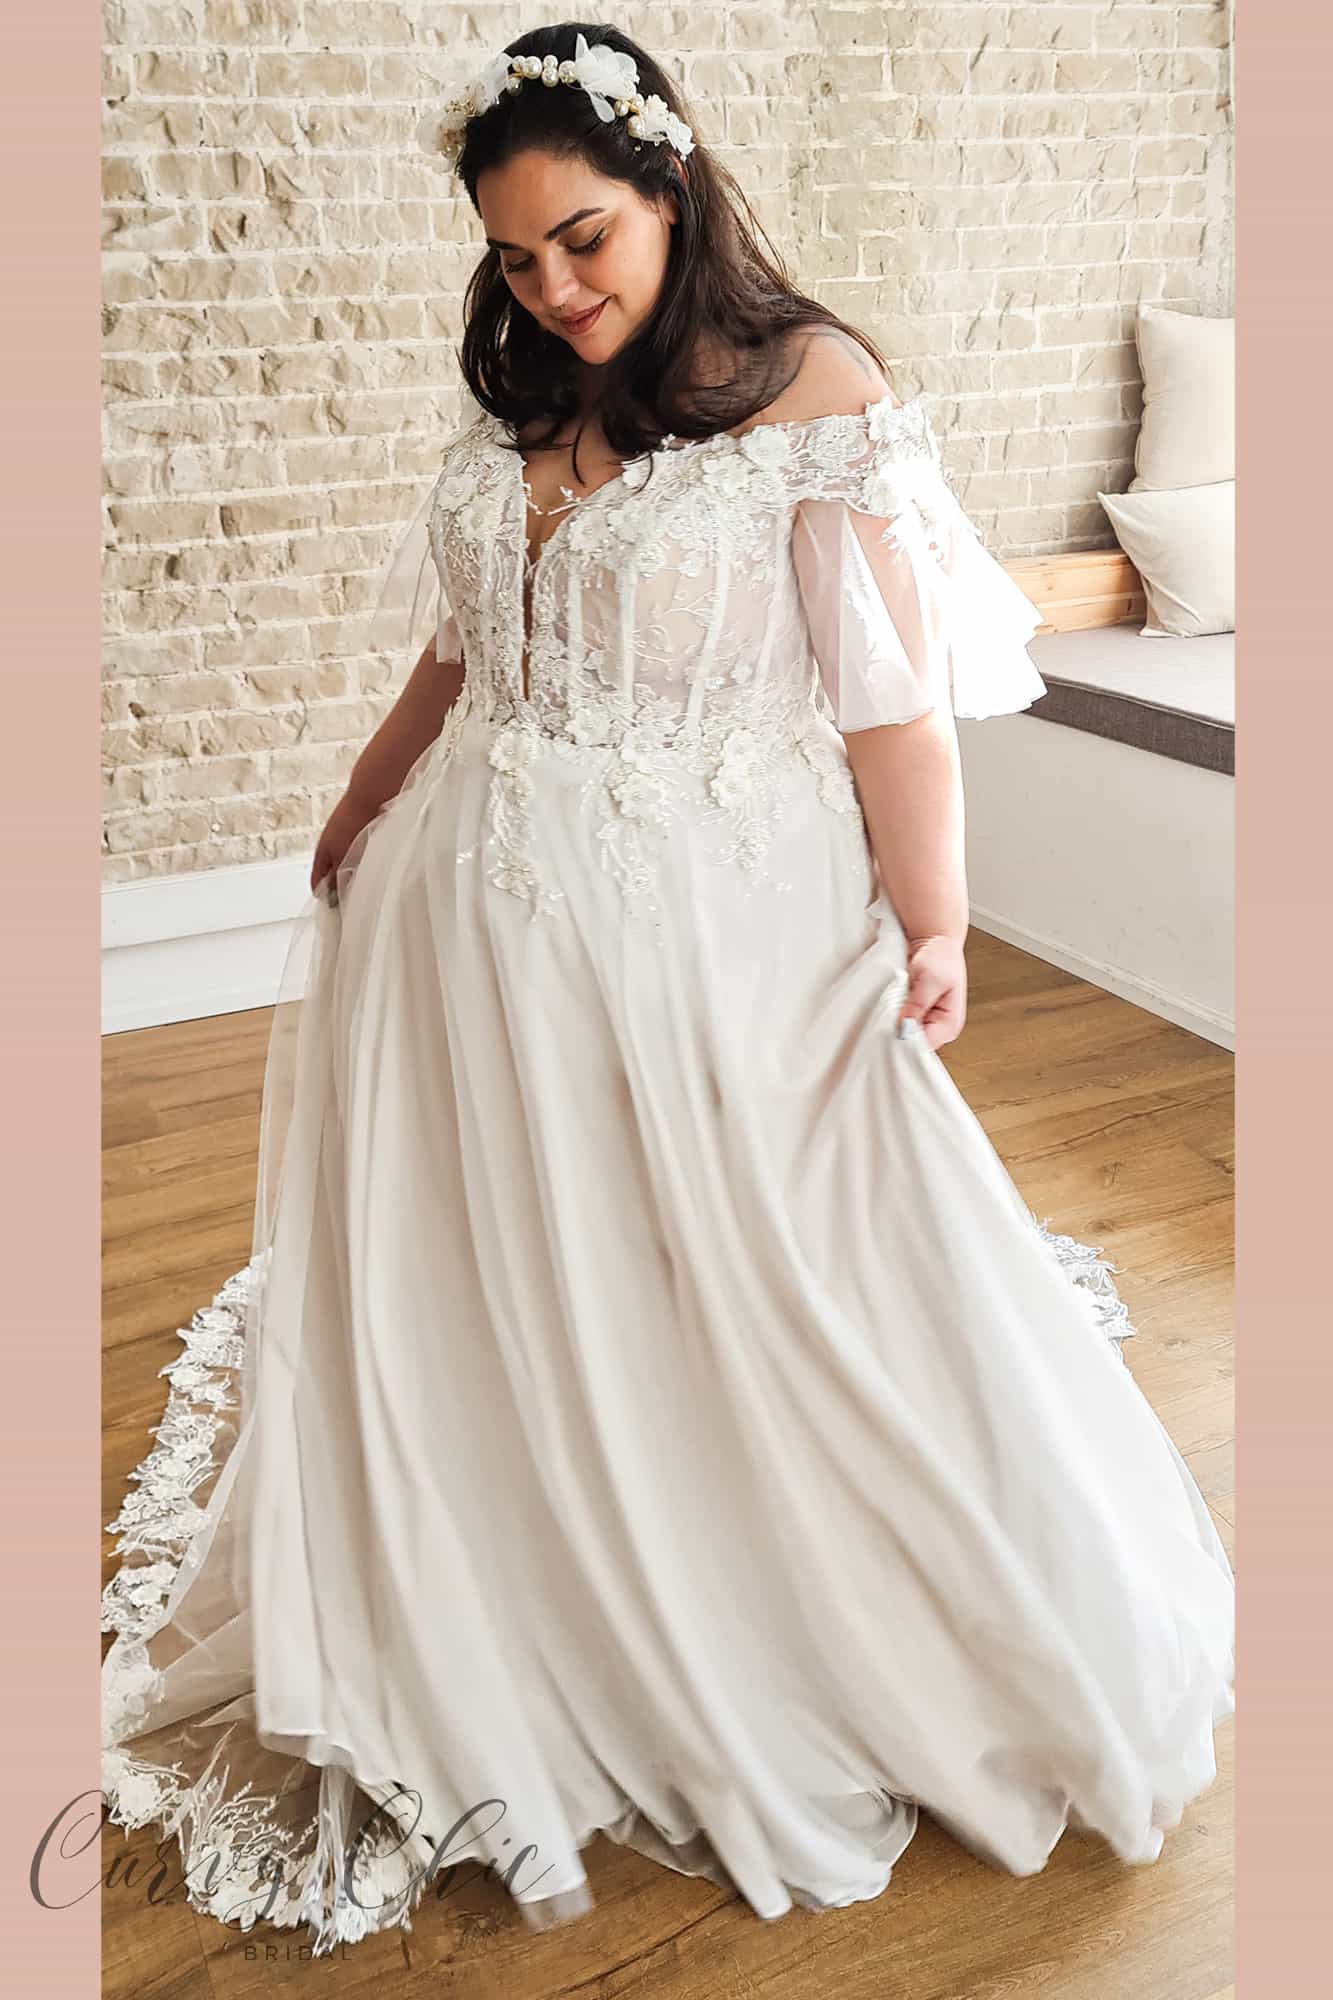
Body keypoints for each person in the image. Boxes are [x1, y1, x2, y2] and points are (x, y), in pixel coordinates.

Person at [100, 23, 1235, 1958]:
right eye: (513, 255)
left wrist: (934, 921)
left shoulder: (816, 389)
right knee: (499, 1249)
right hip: (467, 905)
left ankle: (766, 1589)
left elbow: (888, 701)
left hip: (711, 910)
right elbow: (467, 645)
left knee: (760, 1255)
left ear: (671, 187)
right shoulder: (529, 373)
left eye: (584, 240)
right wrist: (364, 796)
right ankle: (510, 1539)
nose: (552, 287)